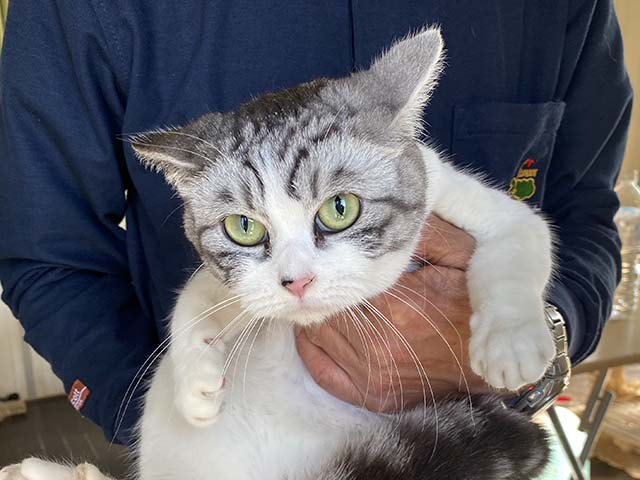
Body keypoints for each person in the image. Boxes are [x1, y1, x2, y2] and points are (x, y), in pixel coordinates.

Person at [0, 0, 632, 445]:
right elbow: (47, 257)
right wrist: (169, 424)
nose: (299, 278)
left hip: (474, 437)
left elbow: (582, 215)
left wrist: (536, 334)